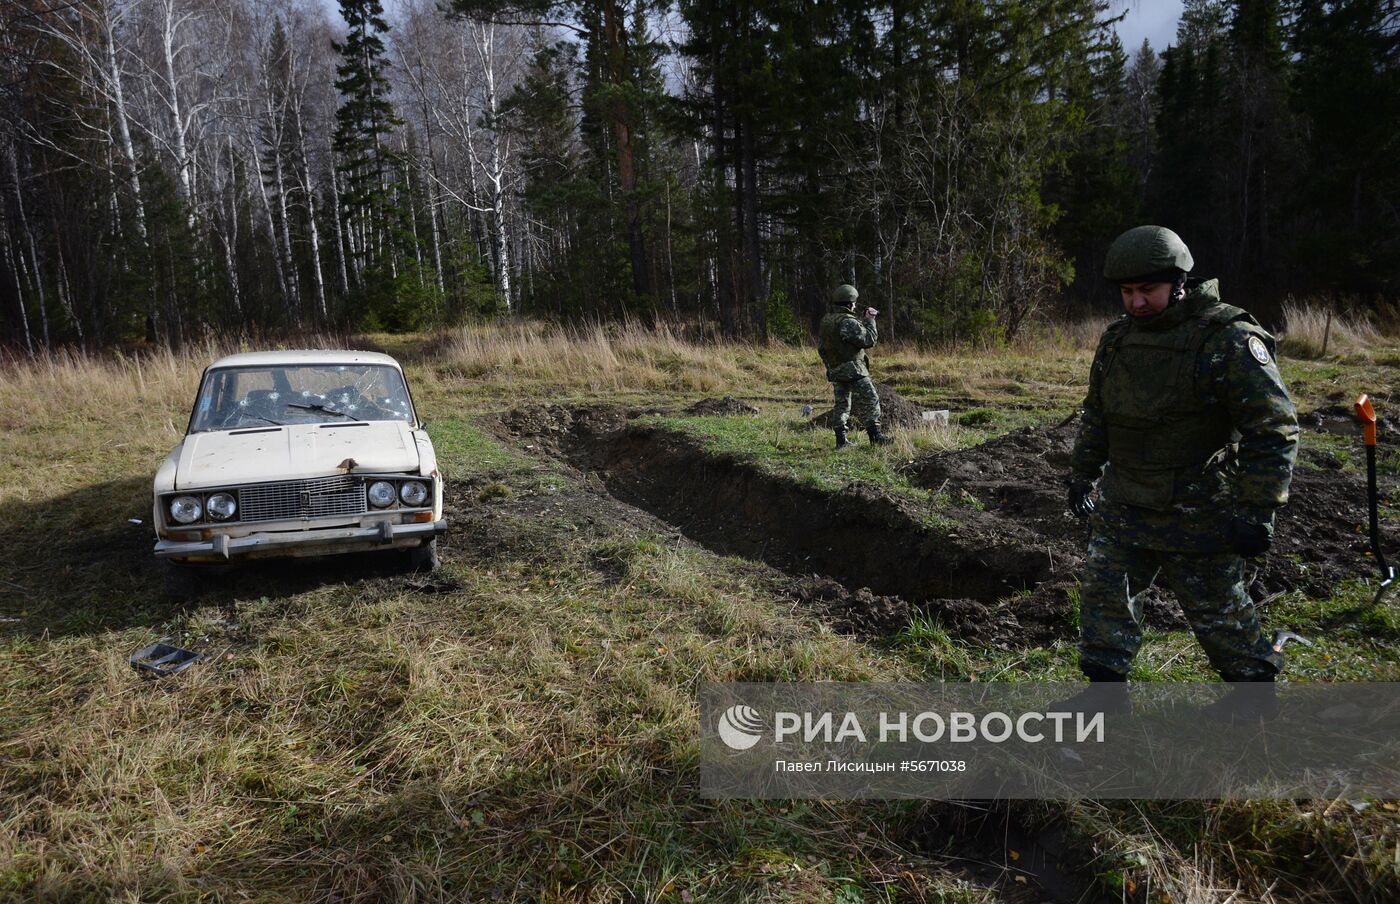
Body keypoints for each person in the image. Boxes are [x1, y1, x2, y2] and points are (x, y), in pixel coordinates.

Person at [1066, 225, 1299, 700]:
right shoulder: (1116, 341)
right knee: (1105, 599)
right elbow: (1099, 414)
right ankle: (1103, 696)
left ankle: (1254, 699)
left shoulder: (1227, 339)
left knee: (1218, 612)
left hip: (1198, 509)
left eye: (1147, 290)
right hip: (1125, 500)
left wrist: (1258, 511)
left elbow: (1273, 428)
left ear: (1179, 283)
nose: (1136, 303)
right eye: (1127, 292)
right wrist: (1082, 474)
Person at [818, 284, 894, 450]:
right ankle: (875, 437)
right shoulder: (847, 321)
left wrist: (830, 367)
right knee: (871, 399)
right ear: (850, 303)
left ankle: (841, 441)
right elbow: (868, 340)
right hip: (853, 369)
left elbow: (821, 348)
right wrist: (870, 320)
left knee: (842, 405)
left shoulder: (827, 320)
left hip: (836, 369)